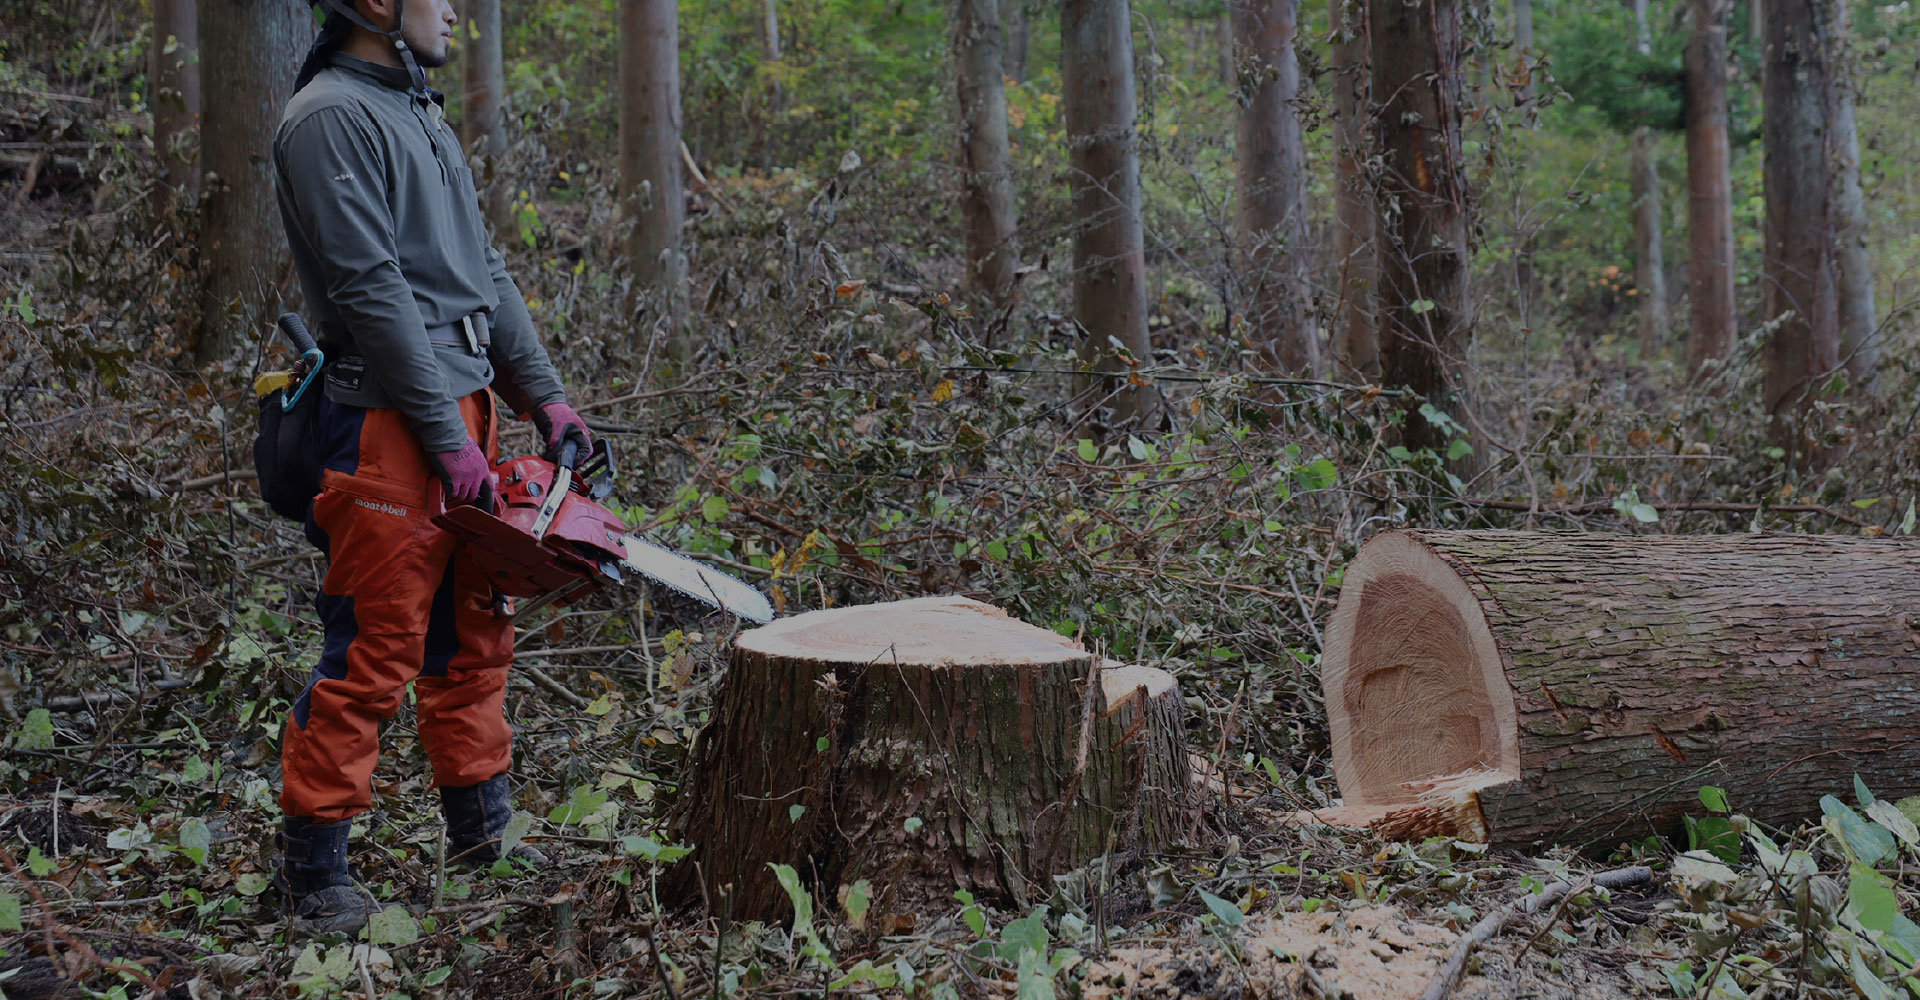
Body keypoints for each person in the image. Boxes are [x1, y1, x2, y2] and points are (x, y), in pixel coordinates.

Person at [270, 0, 590, 934]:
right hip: (388, 423)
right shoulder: (330, 116)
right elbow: (371, 289)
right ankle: (314, 868)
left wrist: (547, 398)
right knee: (374, 648)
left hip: (467, 406)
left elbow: (481, 272)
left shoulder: (416, 108)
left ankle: (482, 831)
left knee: (473, 631)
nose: (454, 9)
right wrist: (444, 442)